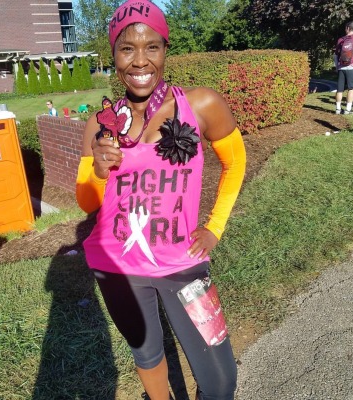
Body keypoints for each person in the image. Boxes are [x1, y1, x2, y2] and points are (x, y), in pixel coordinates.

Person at [75, 1, 246, 399]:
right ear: (113, 54)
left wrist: (215, 226)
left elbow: (235, 164)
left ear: (165, 49)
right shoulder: (100, 124)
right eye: (127, 48)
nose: (140, 61)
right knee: (148, 354)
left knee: (221, 382)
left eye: (151, 47)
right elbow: (87, 203)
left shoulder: (200, 105)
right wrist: (99, 170)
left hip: (183, 266)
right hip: (118, 267)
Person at [334, 21, 353, 115]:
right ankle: (348, 110)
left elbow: (336, 55)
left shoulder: (341, 40)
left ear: (347, 28)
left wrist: (337, 66)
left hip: (341, 67)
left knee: (339, 89)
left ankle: (338, 109)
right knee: (351, 89)